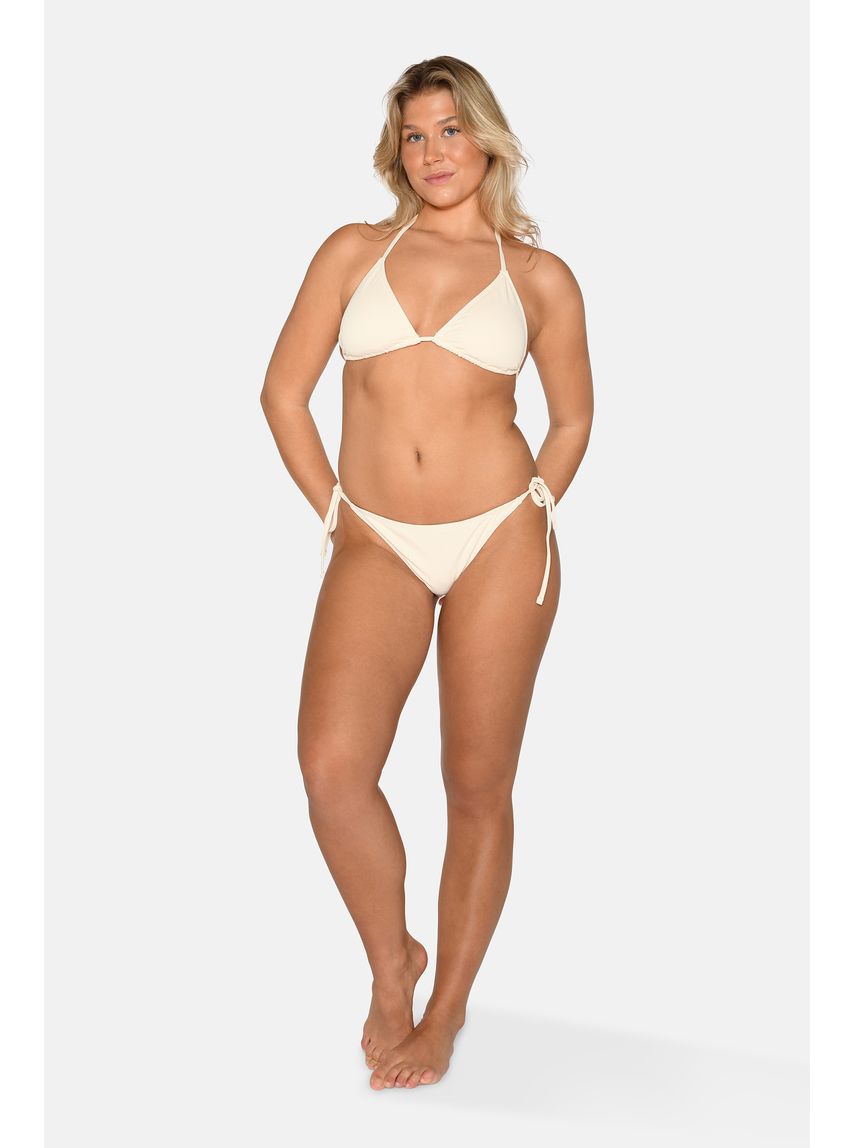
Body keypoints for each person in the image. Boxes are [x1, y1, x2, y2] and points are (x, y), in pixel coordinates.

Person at [260, 55, 594, 1091]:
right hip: (377, 538)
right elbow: (282, 393)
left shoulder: (537, 276)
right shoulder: (353, 251)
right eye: (415, 135)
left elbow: (573, 417)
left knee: (476, 784)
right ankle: (391, 962)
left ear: (485, 137)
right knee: (332, 769)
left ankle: (445, 1010)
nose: (434, 151)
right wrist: (337, 511)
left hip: (499, 536)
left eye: (451, 130)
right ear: (394, 150)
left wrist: (531, 510)